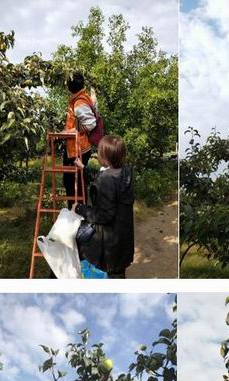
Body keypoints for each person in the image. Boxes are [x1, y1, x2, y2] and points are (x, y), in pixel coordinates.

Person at [74, 135, 134, 279]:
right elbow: (104, 179)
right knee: (118, 273)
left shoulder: (106, 178)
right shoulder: (126, 172)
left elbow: (104, 215)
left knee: (108, 276)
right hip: (122, 241)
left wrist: (80, 209)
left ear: (105, 157)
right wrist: (84, 169)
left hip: (108, 245)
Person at [63, 71, 97, 204]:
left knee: (74, 186)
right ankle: (78, 214)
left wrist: (69, 132)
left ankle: (78, 216)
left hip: (78, 149)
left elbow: (90, 124)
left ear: (69, 86)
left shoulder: (79, 103)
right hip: (76, 148)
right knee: (73, 183)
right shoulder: (80, 98)